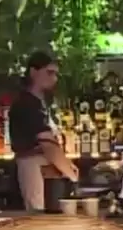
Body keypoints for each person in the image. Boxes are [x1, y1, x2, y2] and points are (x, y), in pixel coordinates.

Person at [9, 52, 79, 210]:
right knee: (38, 215)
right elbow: (47, 144)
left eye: (55, 74)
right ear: (33, 72)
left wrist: (65, 164)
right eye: (49, 72)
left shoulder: (38, 103)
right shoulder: (27, 104)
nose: (54, 78)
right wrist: (70, 174)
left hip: (41, 167)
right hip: (32, 166)